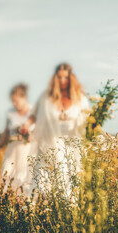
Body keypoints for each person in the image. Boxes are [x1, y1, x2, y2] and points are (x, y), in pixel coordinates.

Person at [21, 63, 89, 197]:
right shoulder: (46, 97)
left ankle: (66, 215)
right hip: (48, 145)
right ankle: (31, 214)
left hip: (70, 148)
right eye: (59, 77)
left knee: (67, 186)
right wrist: (26, 125)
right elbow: (34, 115)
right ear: (55, 78)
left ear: (71, 78)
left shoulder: (80, 99)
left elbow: (88, 119)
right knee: (39, 184)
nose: (62, 81)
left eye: (66, 77)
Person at [0, 83, 33, 196]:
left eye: (16, 101)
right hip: (12, 149)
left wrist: (30, 135)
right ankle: (5, 204)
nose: (14, 104)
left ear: (24, 98)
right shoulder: (10, 112)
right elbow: (6, 132)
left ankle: (23, 206)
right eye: (12, 101)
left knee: (23, 177)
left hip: (27, 148)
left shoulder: (33, 111)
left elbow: (40, 132)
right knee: (6, 175)